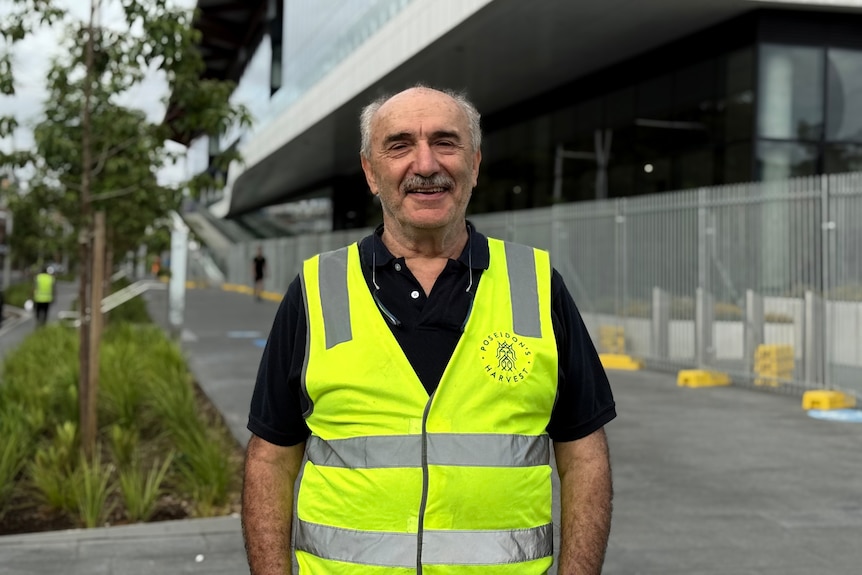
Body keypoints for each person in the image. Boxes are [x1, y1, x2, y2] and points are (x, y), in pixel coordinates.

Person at [242, 85, 616, 574]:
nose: (425, 165)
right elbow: (270, 460)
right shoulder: (317, 290)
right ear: (371, 172)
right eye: (399, 146)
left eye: (446, 142)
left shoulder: (536, 285)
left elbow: (584, 456)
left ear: (475, 164)